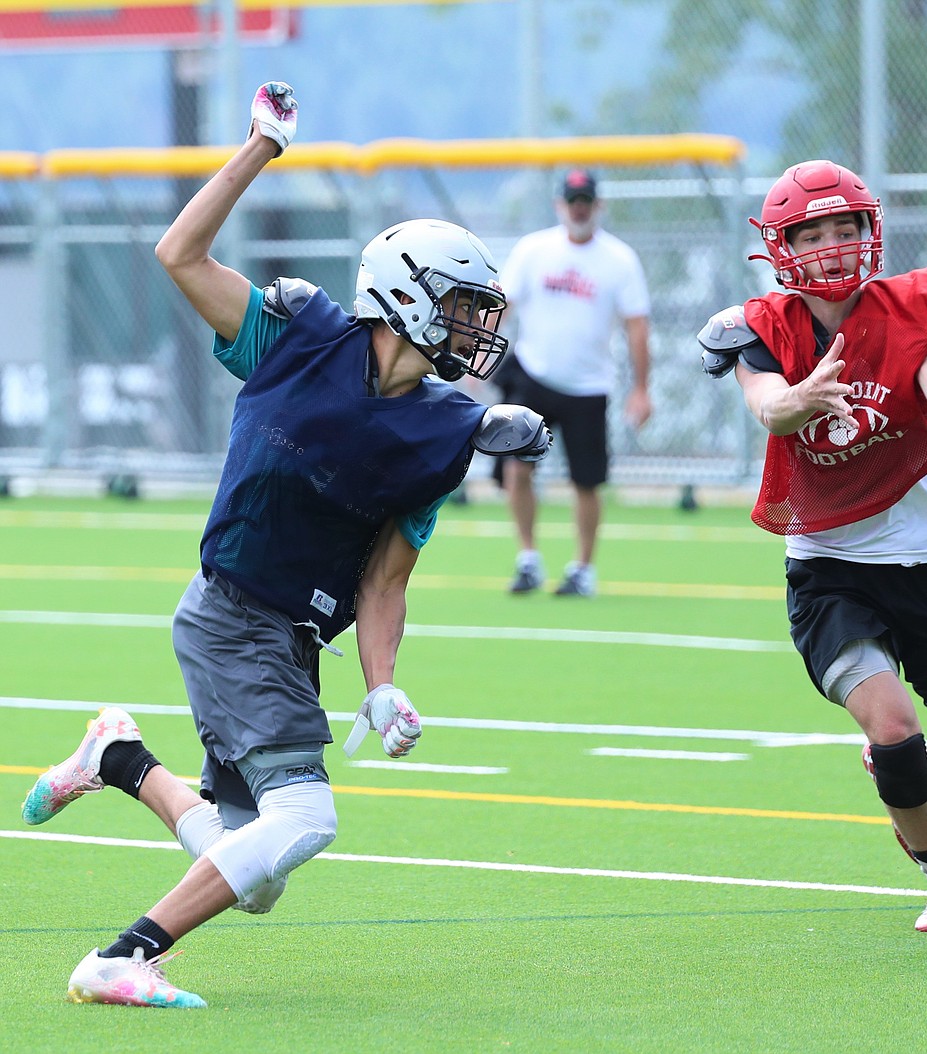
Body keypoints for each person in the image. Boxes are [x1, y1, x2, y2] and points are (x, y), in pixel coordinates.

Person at [20, 82, 550, 1009]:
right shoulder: (294, 335)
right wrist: (260, 147)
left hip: (290, 639)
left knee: (256, 879)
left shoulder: (442, 432)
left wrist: (381, 683)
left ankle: (119, 759)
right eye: (463, 305)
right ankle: (118, 956)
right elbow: (177, 253)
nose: (476, 325)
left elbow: (387, 576)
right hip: (230, 614)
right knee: (306, 815)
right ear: (409, 298)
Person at [697, 159, 927, 933]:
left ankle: (919, 774)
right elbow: (768, 407)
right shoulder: (762, 330)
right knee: (895, 727)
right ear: (780, 246)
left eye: (847, 228)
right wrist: (793, 400)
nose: (834, 246)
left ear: (871, 231)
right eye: (815, 232)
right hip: (833, 569)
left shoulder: (912, 309)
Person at [493, 168, 652, 597]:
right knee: (516, 467)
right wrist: (473, 359)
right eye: (572, 201)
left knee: (586, 481)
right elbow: (503, 306)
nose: (579, 209)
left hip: (588, 386)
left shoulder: (619, 259)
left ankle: (583, 568)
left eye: (586, 202)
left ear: (598, 206)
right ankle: (528, 558)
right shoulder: (533, 250)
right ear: (559, 205)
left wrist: (641, 388)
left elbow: (637, 325)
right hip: (534, 375)